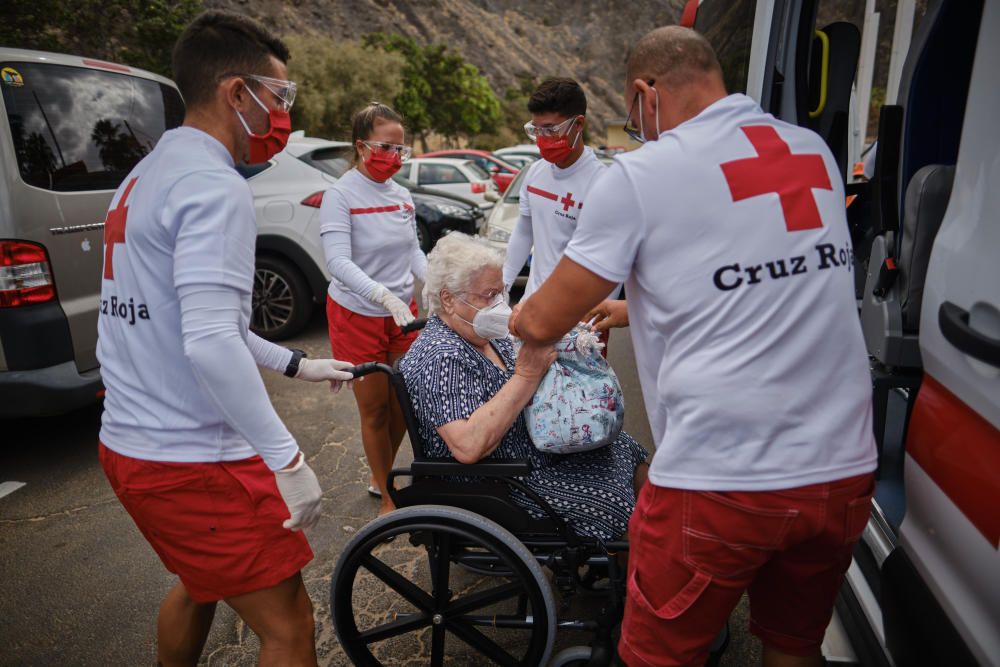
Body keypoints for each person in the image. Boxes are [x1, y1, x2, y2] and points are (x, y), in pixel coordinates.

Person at [511, 26, 877, 667]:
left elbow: (542, 320)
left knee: (658, 655)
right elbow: (762, 268)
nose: (637, 128)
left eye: (632, 115)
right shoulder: (810, 150)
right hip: (841, 469)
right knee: (794, 646)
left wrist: (511, 319)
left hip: (723, 477)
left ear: (644, 92)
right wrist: (635, 308)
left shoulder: (641, 174)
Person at [96, 11, 354, 667]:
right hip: (188, 457)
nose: (284, 113)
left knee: (202, 583)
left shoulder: (147, 172)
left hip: (131, 443)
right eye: (280, 96)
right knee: (290, 626)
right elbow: (210, 342)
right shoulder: (214, 186)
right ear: (237, 93)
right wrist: (287, 460)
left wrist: (297, 364)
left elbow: (199, 323)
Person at [399, 233, 648, 541]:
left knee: (622, 448)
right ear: (448, 299)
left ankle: (655, 550)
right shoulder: (442, 355)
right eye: (488, 296)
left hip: (533, 455)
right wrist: (526, 376)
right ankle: (631, 571)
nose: (499, 304)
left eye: (500, 293)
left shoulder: (482, 334)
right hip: (500, 481)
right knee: (612, 500)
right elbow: (467, 446)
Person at [319, 102, 425, 515]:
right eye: (387, 147)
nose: (395, 157)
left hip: (401, 311)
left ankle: (379, 469)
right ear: (362, 146)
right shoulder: (340, 194)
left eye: (401, 149)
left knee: (407, 399)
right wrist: (381, 295)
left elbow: (413, 250)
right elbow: (338, 262)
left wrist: (435, 278)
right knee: (376, 407)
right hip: (357, 313)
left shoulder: (401, 195)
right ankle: (385, 492)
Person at [502, 78, 619, 351]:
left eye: (551, 130)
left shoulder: (602, 186)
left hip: (580, 321)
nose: (543, 139)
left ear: (579, 125)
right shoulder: (535, 173)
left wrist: (593, 321)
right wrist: (503, 285)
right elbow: (524, 232)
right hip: (532, 309)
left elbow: (610, 263)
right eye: (537, 130)